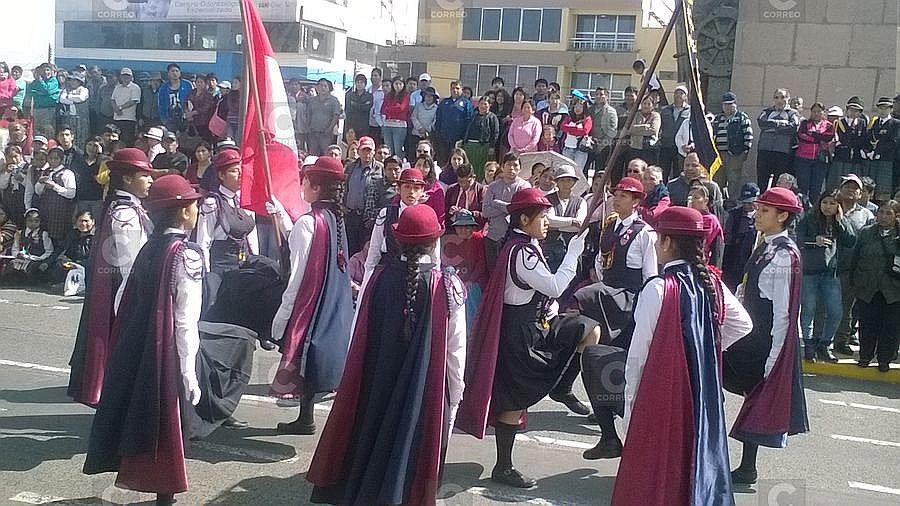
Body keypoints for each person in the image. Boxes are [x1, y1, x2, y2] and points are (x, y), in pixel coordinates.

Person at [307, 204, 466, 505]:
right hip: (422, 389)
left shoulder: (378, 279)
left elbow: (362, 336)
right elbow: (456, 351)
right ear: (435, 241)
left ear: (398, 239)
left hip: (377, 382)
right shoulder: (447, 285)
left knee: (372, 435)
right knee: (411, 443)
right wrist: (455, 395)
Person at [608, 206, 751, 505]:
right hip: (702, 389)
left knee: (657, 470)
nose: (656, 245)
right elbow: (743, 324)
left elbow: (638, 358)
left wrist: (629, 409)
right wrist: (704, 352)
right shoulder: (710, 282)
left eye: (659, 239)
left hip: (663, 393)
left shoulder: (658, 288)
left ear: (669, 242)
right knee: (696, 452)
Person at [455, 188, 598, 488]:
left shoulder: (526, 244)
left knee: (588, 329)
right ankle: (503, 467)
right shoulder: (522, 253)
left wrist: (550, 305)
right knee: (513, 402)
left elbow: (545, 294)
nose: (547, 221)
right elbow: (556, 285)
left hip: (531, 324)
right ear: (524, 219)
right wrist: (574, 252)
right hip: (519, 333)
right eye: (542, 217)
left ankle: (562, 387)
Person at [82, 174, 203, 506]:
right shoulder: (188, 254)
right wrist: (189, 369)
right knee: (169, 420)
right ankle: (166, 491)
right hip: (167, 349)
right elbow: (185, 319)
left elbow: (125, 296)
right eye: (193, 205)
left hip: (140, 341)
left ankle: (159, 487)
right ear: (181, 212)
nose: (196, 211)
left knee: (145, 413)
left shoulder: (149, 247)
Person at [723, 187, 809, 486]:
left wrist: (774, 359)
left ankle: (746, 466)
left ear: (783, 216)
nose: (757, 214)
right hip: (749, 333)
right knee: (745, 393)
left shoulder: (784, 256)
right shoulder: (765, 245)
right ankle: (744, 465)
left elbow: (784, 313)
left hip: (763, 341)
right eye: (758, 209)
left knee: (751, 395)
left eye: (764, 210)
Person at [267, 156, 354, 435]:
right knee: (316, 355)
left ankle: (305, 417)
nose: (301, 185)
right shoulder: (334, 219)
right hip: (332, 299)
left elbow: (298, 271)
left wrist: (283, 313)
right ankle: (305, 417)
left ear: (315, 187)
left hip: (311, 300)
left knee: (305, 351)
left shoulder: (309, 221)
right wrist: (280, 216)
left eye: (304, 181)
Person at [67, 148, 154, 407]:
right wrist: (135, 298)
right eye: (144, 175)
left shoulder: (122, 205)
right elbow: (130, 263)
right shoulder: (125, 213)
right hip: (121, 286)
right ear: (127, 179)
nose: (150, 180)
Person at [196, 149, 259, 312]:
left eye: (241, 171)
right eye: (233, 171)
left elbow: (252, 237)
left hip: (244, 266)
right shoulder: (212, 203)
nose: (240, 175)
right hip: (220, 268)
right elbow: (204, 241)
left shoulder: (246, 200)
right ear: (221, 176)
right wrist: (207, 275)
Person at [797, 191, 852, 363]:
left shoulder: (838, 221)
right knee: (808, 311)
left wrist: (841, 220)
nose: (828, 207)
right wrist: (815, 240)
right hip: (809, 273)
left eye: (832, 203)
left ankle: (825, 344)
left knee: (836, 312)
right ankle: (809, 345)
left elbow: (851, 241)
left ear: (838, 206)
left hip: (830, 273)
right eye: (825, 203)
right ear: (820, 203)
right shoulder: (808, 218)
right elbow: (797, 239)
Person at [851, 201, 900, 372]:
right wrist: (855, 282)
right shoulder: (866, 233)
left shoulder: (898, 235)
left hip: (893, 290)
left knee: (890, 326)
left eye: (889, 213)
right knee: (867, 323)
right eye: (881, 213)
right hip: (868, 287)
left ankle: (884, 359)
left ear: (896, 216)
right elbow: (855, 258)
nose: (884, 217)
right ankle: (865, 355)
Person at [363, 168, 429, 286]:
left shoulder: (428, 217)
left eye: (416, 188)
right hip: (391, 276)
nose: (411, 192)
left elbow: (434, 256)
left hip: (419, 277)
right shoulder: (386, 214)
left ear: (422, 190)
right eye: (407, 187)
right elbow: (374, 249)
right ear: (398, 188)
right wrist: (367, 282)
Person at [832, 175, 875, 355]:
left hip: (851, 269)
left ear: (861, 193)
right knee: (823, 307)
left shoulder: (867, 215)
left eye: (855, 188)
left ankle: (841, 340)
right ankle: (819, 340)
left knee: (846, 308)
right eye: (847, 187)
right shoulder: (828, 208)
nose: (851, 190)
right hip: (827, 267)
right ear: (840, 189)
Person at [482, 153, 531, 268]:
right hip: (493, 237)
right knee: (492, 272)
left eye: (515, 165)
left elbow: (520, 212)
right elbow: (486, 212)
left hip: (514, 239)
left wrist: (497, 203)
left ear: (520, 168)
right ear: (502, 167)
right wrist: (510, 207)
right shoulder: (493, 186)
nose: (511, 168)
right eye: (508, 164)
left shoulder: (524, 187)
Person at [444, 209, 488, 329]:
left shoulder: (478, 239)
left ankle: (471, 332)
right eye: (459, 227)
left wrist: (471, 280)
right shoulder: (451, 240)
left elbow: (481, 264)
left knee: (470, 293)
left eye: (467, 227)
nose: (463, 230)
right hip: (457, 279)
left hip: (475, 281)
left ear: (472, 228)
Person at [342, 135, 383, 256]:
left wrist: (373, 216)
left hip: (367, 218)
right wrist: (342, 206)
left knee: (365, 251)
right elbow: (343, 187)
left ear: (374, 152)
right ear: (359, 151)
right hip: (350, 215)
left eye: (369, 150)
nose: (366, 154)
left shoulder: (380, 169)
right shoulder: (350, 167)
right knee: (349, 250)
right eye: (363, 150)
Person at [544, 164, 587, 272]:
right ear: (557, 182)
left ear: (574, 182)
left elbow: (580, 225)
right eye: (562, 180)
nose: (566, 183)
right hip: (550, 248)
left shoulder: (581, 201)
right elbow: (549, 220)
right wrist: (572, 221)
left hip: (572, 248)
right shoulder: (548, 199)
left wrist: (556, 227)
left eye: (569, 180)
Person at [713, 91, 754, 202]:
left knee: (733, 179)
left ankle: (733, 202)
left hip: (735, 154)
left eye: (730, 104)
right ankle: (719, 202)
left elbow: (748, 135)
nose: (727, 106)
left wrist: (745, 151)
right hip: (718, 155)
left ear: (735, 104)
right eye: (725, 104)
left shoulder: (742, 117)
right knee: (718, 180)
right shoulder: (717, 119)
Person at [756, 88, 800, 189]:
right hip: (764, 150)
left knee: (778, 181)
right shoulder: (767, 111)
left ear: (788, 99)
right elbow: (761, 123)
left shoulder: (792, 113)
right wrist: (782, 125)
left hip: (782, 152)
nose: (779, 100)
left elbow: (793, 127)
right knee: (762, 180)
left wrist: (773, 126)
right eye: (776, 97)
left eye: (782, 97)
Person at [33, 147, 77, 246]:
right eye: (51, 158)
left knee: (58, 237)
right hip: (45, 209)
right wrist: (40, 183)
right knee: (45, 235)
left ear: (61, 160)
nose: (53, 161)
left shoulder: (67, 173)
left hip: (60, 210)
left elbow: (71, 193)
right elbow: (38, 191)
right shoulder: (45, 172)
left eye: (56, 158)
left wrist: (54, 187)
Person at [794, 102, 835, 202]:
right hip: (803, 158)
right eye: (814, 111)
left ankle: (813, 209)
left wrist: (812, 134)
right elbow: (801, 136)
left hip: (820, 160)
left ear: (823, 113)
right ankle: (801, 208)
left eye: (819, 111)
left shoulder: (829, 125)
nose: (816, 114)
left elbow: (829, 136)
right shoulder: (804, 123)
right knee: (802, 186)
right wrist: (818, 138)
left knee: (816, 188)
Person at [722, 183, 760, 289]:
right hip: (734, 262)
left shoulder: (762, 216)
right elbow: (727, 239)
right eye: (745, 202)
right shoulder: (733, 215)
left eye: (751, 201)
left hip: (753, 259)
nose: (748, 205)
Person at [3, 208, 53, 285]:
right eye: (30, 220)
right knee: (12, 265)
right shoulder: (19, 233)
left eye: (36, 221)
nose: (33, 223)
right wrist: (18, 254)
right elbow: (15, 248)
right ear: (25, 221)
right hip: (23, 258)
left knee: (32, 268)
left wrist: (38, 258)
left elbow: (49, 251)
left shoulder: (43, 234)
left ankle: (27, 280)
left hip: (36, 259)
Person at [865, 97, 900, 201]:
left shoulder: (896, 123)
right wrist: (868, 151)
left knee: (883, 190)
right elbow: (869, 138)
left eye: (885, 108)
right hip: (873, 160)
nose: (883, 110)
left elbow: (893, 142)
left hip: (886, 159)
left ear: (890, 109)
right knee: (871, 187)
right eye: (881, 108)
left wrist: (877, 152)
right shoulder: (875, 122)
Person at [435, 81, 475, 165]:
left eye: (457, 88)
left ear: (461, 90)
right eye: (453, 88)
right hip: (444, 139)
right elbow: (438, 120)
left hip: (458, 140)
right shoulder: (444, 103)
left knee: (456, 162)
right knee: (443, 161)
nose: (455, 90)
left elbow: (470, 122)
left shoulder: (466, 104)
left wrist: (464, 138)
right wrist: (438, 135)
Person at [462, 95, 499, 181]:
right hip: (470, 146)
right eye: (481, 103)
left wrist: (492, 147)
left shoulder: (492, 117)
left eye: (485, 104)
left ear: (490, 105)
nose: (483, 106)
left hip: (483, 147)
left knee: (481, 168)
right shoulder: (473, 116)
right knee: (470, 167)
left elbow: (495, 134)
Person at [659, 85, 691, 181]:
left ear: (686, 96)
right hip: (666, 146)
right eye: (676, 93)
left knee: (678, 174)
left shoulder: (690, 111)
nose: (678, 95)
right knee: (663, 173)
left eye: (681, 93)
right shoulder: (665, 110)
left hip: (681, 148)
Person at [688, 184, 725, 269]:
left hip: (703, 263)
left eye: (696, 198)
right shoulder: (684, 218)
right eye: (690, 197)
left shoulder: (711, 220)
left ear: (706, 201)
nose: (692, 201)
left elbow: (715, 248)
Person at [445, 163, 485, 229]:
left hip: (472, 227)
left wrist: (472, 213)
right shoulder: (451, 189)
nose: (463, 185)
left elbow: (485, 215)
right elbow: (443, 211)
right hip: (453, 225)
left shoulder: (481, 190)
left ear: (474, 177)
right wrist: (450, 210)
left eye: (468, 182)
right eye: (460, 181)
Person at [587, 87, 618, 173]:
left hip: (603, 146)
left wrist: (602, 144)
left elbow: (613, 130)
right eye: (596, 94)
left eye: (601, 94)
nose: (598, 96)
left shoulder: (611, 111)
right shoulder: (590, 109)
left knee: (599, 172)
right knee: (584, 169)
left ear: (607, 97)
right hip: (589, 144)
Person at [560, 98, 593, 175]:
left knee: (578, 173)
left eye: (580, 107)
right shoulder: (569, 117)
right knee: (566, 172)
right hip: (568, 148)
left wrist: (570, 130)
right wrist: (576, 129)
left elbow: (585, 131)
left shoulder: (587, 119)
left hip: (581, 150)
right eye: (576, 106)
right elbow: (563, 127)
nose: (577, 109)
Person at [380, 76, 410, 162]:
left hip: (400, 126)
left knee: (398, 150)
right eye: (396, 84)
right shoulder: (388, 95)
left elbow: (402, 108)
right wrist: (394, 108)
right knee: (389, 150)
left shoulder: (406, 96)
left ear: (404, 85)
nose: (398, 86)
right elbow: (383, 109)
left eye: (400, 84)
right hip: (387, 125)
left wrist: (390, 108)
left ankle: (399, 167)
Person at [26, 63, 60, 137]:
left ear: (51, 71)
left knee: (48, 130)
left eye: (48, 70)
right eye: (43, 70)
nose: (45, 72)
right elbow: (30, 92)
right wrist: (41, 93)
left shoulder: (53, 81)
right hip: (37, 109)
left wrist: (41, 83)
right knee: (37, 130)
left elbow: (47, 90)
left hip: (49, 110)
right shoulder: (35, 82)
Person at [157, 63, 193, 134]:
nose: (175, 73)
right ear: (168, 73)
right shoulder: (163, 88)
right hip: (170, 119)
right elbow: (161, 105)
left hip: (185, 118)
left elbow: (193, 100)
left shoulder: (187, 85)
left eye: (177, 71)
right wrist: (164, 120)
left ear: (180, 73)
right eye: (172, 71)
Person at [58, 72, 91, 146]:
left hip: (82, 118)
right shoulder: (66, 89)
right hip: (69, 117)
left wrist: (69, 97)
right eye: (71, 80)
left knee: (82, 137)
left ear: (79, 81)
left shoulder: (84, 90)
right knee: (70, 136)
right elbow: (62, 99)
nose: (72, 82)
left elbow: (81, 98)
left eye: (74, 80)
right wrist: (73, 101)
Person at [111, 68, 141, 147]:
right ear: (120, 77)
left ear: (131, 77)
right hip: (116, 118)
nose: (125, 77)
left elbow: (133, 101)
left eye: (127, 76)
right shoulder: (117, 87)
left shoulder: (135, 87)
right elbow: (112, 100)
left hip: (129, 119)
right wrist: (115, 108)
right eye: (123, 76)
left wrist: (120, 108)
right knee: (117, 140)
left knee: (127, 141)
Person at [628, 95, 661, 165]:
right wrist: (645, 126)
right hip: (635, 148)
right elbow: (630, 130)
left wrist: (637, 129)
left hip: (650, 149)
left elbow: (653, 131)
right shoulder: (635, 114)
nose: (646, 106)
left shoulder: (655, 115)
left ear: (652, 106)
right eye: (644, 103)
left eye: (649, 104)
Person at [413, 155, 446, 225]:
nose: (421, 168)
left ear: (430, 169)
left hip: (429, 225)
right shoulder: (408, 183)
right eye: (419, 165)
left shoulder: (436, 188)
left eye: (425, 166)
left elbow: (440, 214)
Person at [1, 145, 28, 227]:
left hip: (22, 201)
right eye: (10, 157)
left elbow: (29, 185)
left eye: (15, 156)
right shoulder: (5, 168)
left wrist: (21, 179)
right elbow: (2, 185)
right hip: (9, 203)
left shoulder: (27, 167)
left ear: (20, 155)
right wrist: (7, 172)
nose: (13, 159)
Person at [637, 164, 670, 229]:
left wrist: (637, 209)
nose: (647, 182)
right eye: (645, 178)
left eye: (652, 179)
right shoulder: (640, 195)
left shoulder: (664, 198)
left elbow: (653, 217)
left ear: (660, 181)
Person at [185, 74, 216, 143]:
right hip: (191, 122)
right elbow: (186, 103)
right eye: (198, 82)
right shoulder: (192, 92)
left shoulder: (208, 95)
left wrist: (193, 113)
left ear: (205, 83)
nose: (199, 84)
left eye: (201, 82)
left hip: (203, 122)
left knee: (203, 141)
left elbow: (206, 108)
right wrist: (187, 113)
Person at [344, 73, 372, 141]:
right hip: (351, 125)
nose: (359, 84)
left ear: (365, 84)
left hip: (364, 127)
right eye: (358, 82)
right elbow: (348, 110)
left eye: (361, 82)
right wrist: (362, 105)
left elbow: (367, 108)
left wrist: (355, 104)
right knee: (351, 147)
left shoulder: (369, 96)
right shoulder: (349, 95)